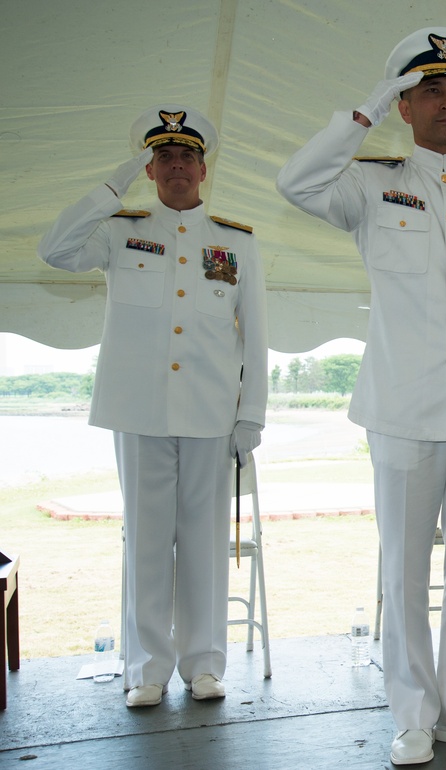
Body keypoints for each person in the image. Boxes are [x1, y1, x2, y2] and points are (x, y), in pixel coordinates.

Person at [276, 27, 446, 766]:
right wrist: (363, 112)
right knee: (404, 569)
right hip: (403, 408)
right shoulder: (368, 183)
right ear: (406, 104)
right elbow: (296, 184)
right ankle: (412, 714)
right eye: (431, 89)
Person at [37, 105, 268, 706]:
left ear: (203, 166)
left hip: (212, 413)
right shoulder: (119, 229)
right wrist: (113, 185)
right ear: (149, 167)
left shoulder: (235, 243)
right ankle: (145, 668)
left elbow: (256, 334)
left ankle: (204, 664)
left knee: (204, 541)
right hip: (139, 410)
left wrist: (252, 415)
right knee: (145, 540)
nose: (175, 166)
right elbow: (55, 249)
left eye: (186, 156)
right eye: (163, 156)